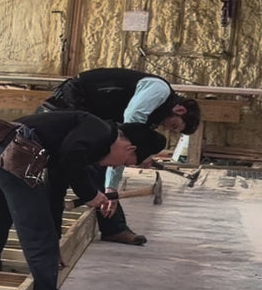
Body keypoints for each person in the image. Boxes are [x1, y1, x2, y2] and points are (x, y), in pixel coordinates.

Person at [0, 111, 167, 290]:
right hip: (14, 157)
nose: (115, 166)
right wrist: (90, 193)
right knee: (38, 241)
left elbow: (54, 192)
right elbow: (71, 158)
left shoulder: (73, 138)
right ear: (129, 148)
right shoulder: (100, 131)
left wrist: (54, 244)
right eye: (124, 163)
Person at [40, 68, 202, 245]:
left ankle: (55, 237)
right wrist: (140, 153)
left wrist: (111, 186)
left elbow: (120, 146)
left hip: (84, 114)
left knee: (76, 169)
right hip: (68, 104)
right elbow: (131, 121)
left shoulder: (156, 112)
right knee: (71, 170)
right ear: (179, 110)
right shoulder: (159, 90)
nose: (168, 128)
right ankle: (102, 230)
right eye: (174, 126)